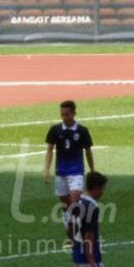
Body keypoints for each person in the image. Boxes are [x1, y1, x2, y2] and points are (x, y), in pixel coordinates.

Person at [44, 100, 95, 233]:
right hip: (61, 171)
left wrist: (92, 169)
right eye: (62, 114)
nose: (64, 117)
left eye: (66, 114)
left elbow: (88, 151)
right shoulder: (55, 130)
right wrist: (46, 170)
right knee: (65, 204)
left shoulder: (82, 131)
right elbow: (49, 150)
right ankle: (70, 217)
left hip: (76, 171)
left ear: (73, 113)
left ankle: (75, 225)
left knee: (74, 199)